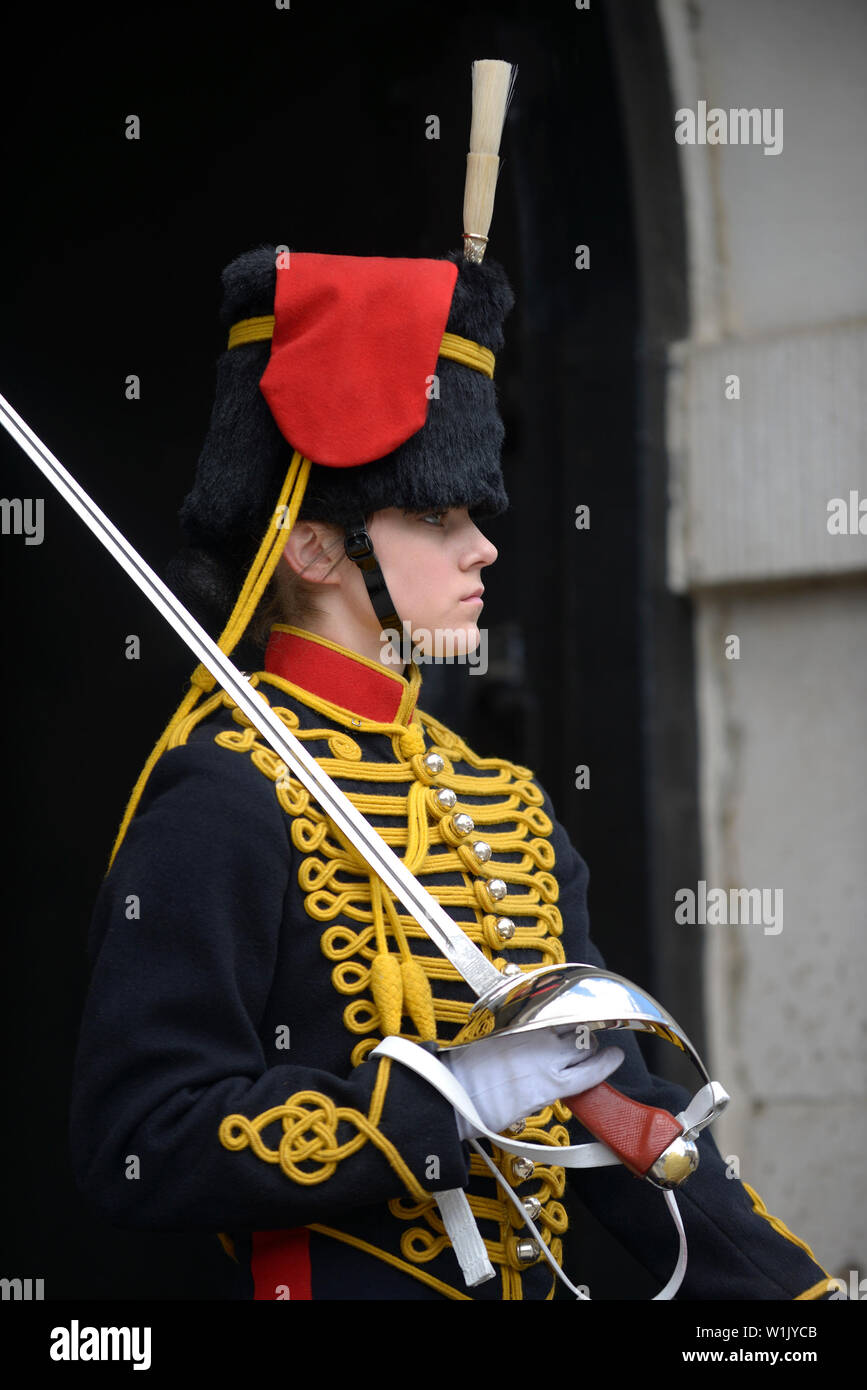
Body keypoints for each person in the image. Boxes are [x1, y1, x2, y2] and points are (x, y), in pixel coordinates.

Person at [69, 242, 837, 1301]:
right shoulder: (225, 795)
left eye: (472, 516)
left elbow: (621, 1119)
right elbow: (138, 1137)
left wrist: (797, 1307)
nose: (481, 549)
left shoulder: (504, 803)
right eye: (435, 517)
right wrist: (440, 1103)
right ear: (315, 549)